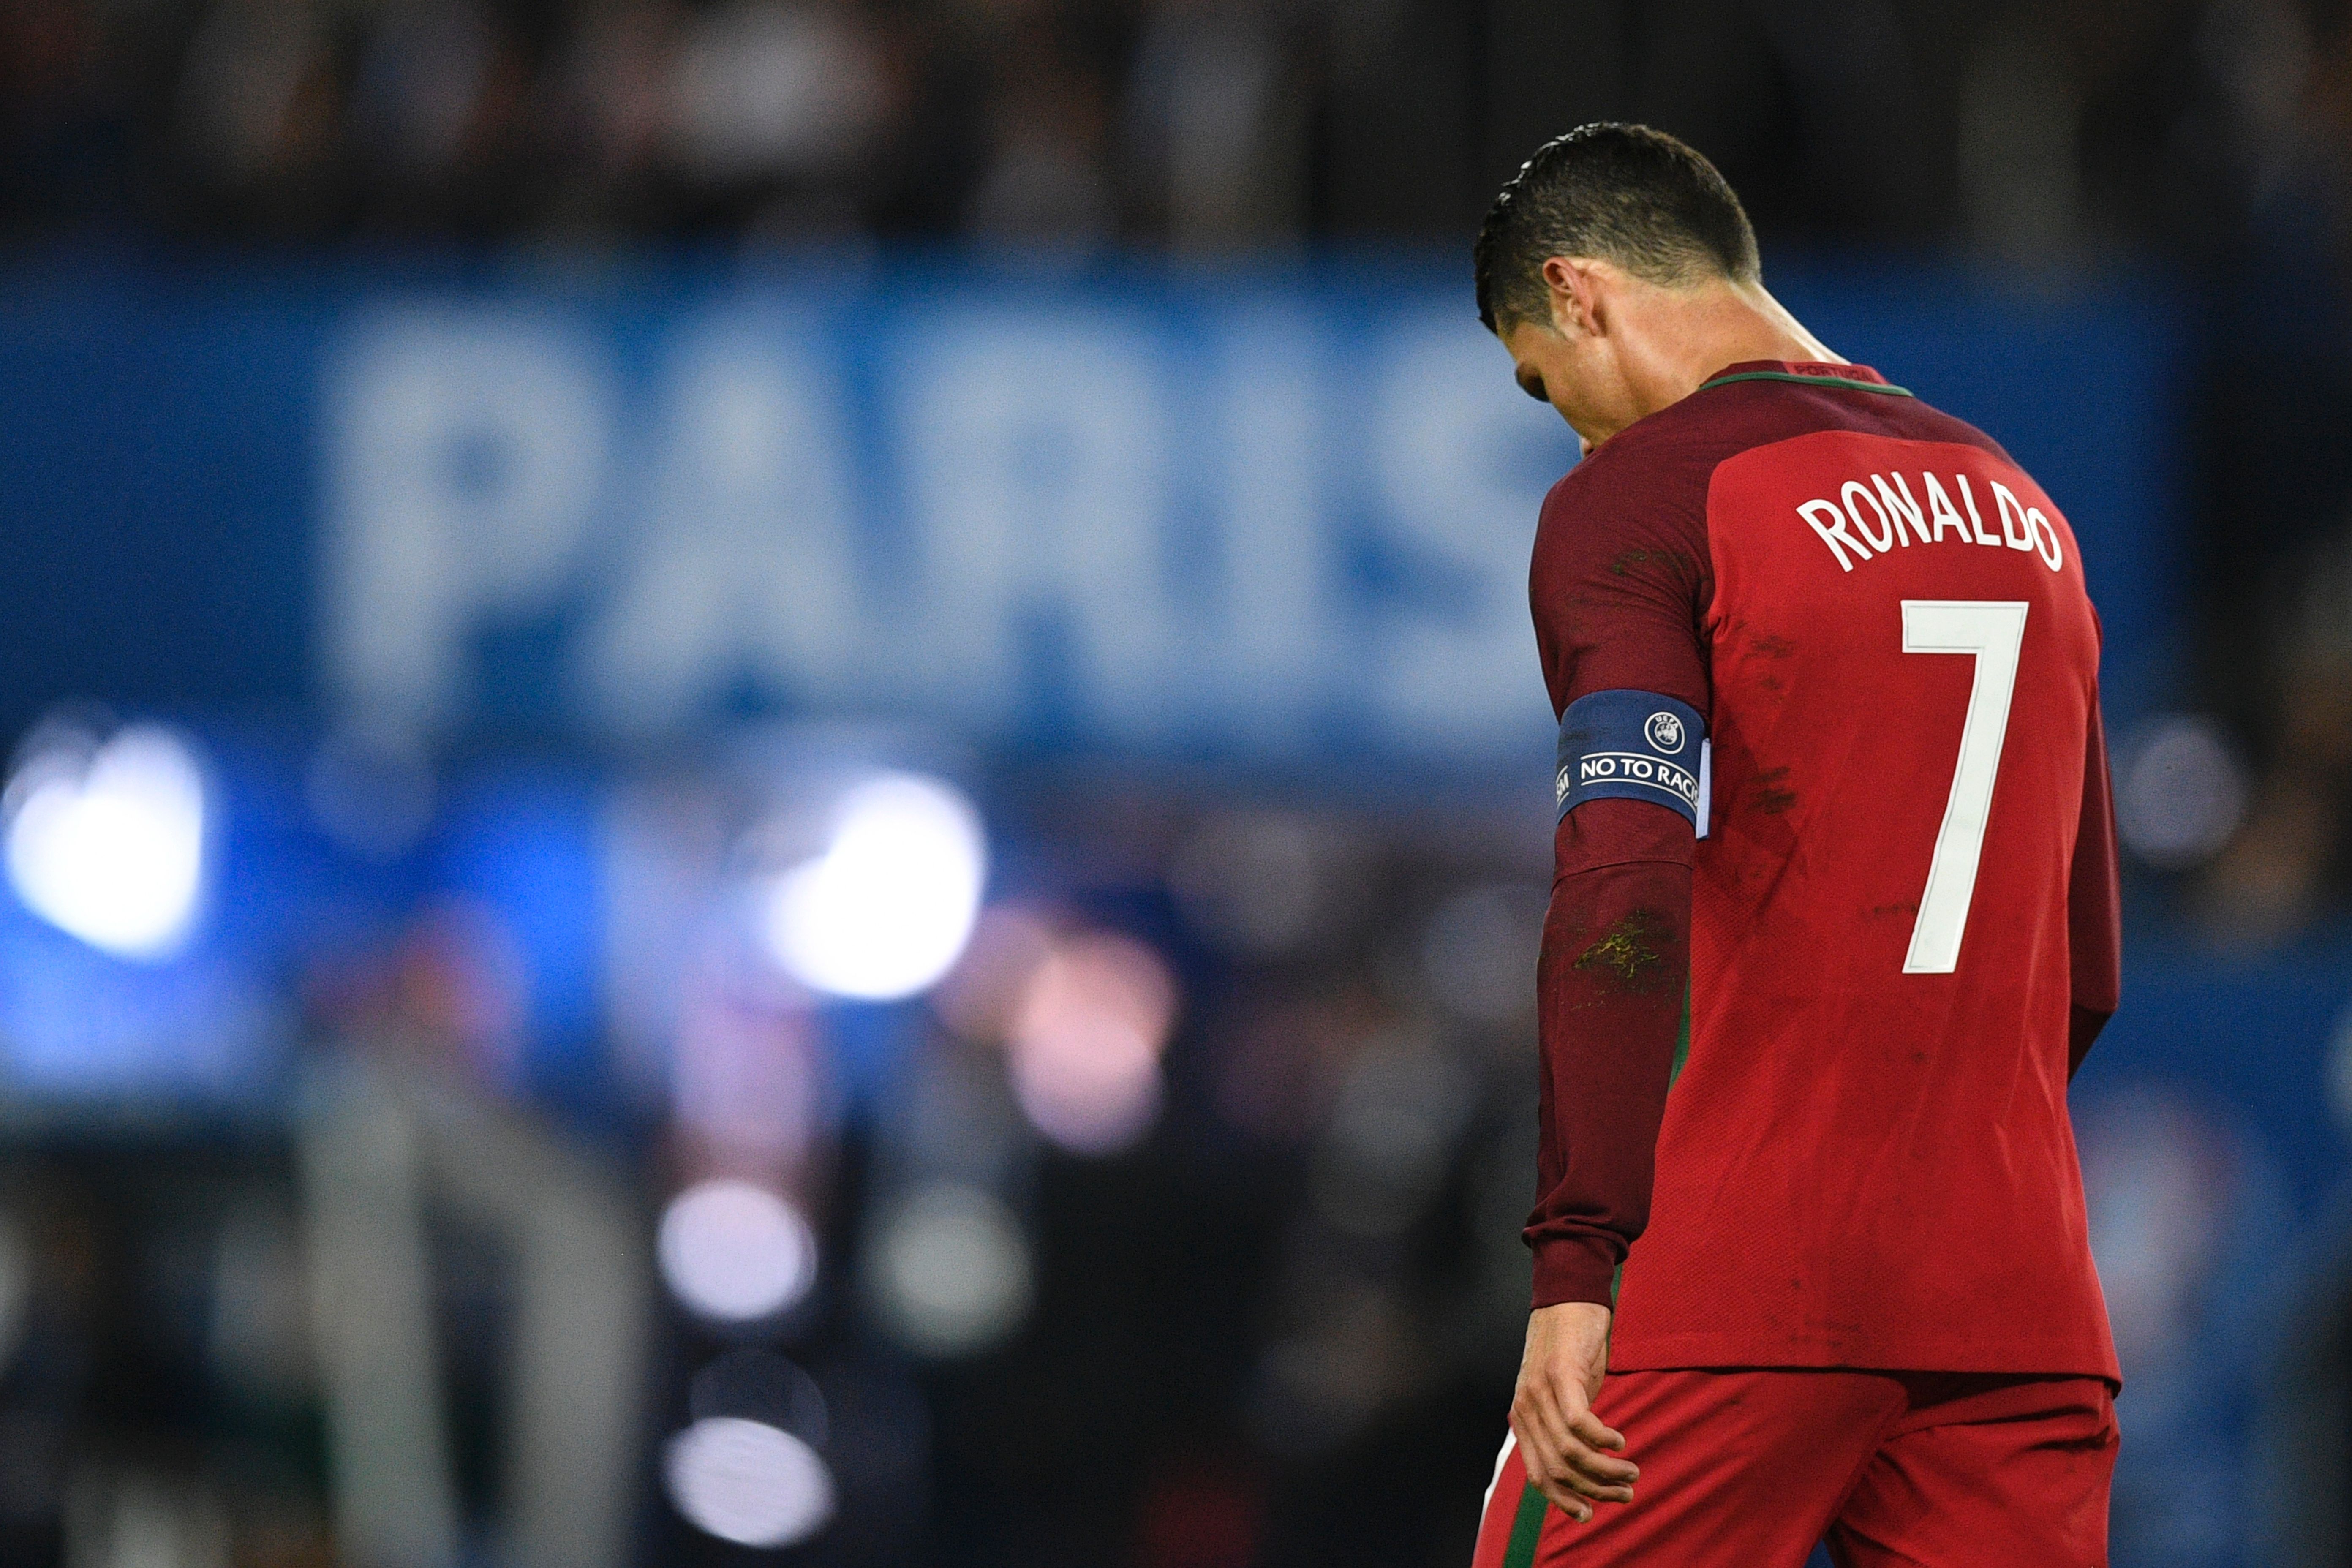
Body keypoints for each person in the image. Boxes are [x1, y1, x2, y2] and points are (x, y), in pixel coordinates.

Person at [1469, 124, 2122, 1567]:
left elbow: (1622, 881)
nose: (1569, 425)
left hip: (1743, 1282)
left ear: (1575, 292)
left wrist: (1578, 1259)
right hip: (2021, 1304)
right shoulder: (2025, 505)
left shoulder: (1643, 493)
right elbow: (2083, 968)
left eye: (1540, 379)